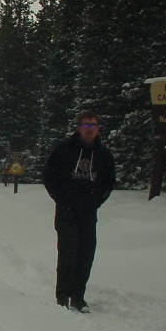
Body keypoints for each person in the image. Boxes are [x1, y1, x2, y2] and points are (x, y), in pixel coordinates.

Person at [42, 111, 116, 313]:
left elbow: (109, 182)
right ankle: (62, 296)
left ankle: (78, 297)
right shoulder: (64, 150)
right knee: (67, 251)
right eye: (86, 125)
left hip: (88, 212)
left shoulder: (104, 155)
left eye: (93, 125)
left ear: (98, 128)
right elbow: (49, 176)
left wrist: (96, 202)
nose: (90, 128)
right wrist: (60, 198)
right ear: (78, 127)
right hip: (66, 210)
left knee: (86, 253)